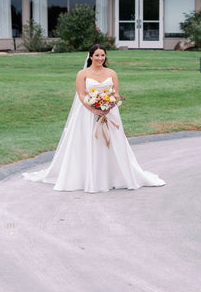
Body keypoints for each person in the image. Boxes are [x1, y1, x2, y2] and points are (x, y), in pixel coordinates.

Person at [23, 44, 165, 192]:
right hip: (87, 114)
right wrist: (93, 108)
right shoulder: (82, 73)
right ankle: (89, 177)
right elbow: (81, 95)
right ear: (90, 56)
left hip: (109, 113)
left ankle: (114, 176)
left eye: (102, 55)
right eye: (97, 55)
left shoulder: (112, 73)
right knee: (90, 141)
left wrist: (107, 103)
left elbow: (116, 93)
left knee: (112, 142)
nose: (100, 58)